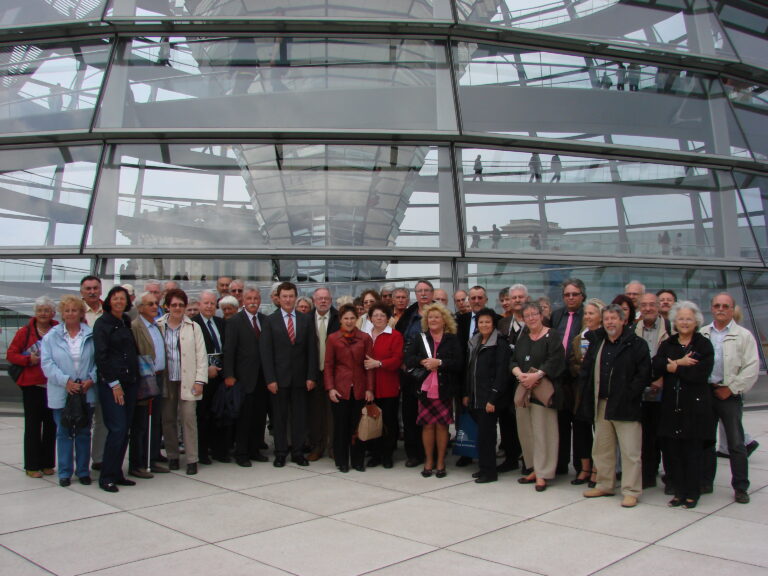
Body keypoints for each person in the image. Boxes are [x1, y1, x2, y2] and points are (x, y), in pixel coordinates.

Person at [579, 304, 650, 508]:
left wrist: (629, 395)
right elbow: (587, 370)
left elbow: (643, 375)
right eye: (607, 319)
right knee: (602, 448)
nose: (610, 322)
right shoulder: (598, 342)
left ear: (623, 321)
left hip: (626, 405)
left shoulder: (637, 344)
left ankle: (631, 491)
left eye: (614, 318)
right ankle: (604, 484)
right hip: (601, 403)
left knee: (630, 452)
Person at [652, 301, 714, 509]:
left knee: (692, 452)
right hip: (671, 405)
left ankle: (692, 493)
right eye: (681, 319)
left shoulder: (703, 345)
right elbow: (657, 364)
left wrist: (673, 367)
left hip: (694, 407)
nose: (684, 322)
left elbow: (699, 374)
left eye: (688, 318)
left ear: (696, 321)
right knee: (672, 452)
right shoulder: (668, 343)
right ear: (674, 322)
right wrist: (680, 363)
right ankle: (678, 491)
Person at [700, 293, 759, 504]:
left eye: (726, 306)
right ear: (711, 308)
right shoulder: (703, 333)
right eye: (717, 305)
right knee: (707, 440)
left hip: (729, 394)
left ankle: (741, 486)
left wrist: (732, 388)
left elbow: (752, 368)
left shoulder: (743, 336)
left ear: (732, 309)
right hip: (707, 393)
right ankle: (706, 481)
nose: (721, 309)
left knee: (735, 443)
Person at [40, 295, 97, 487]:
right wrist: (66, 382)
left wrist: (92, 379)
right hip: (62, 391)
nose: (71, 314)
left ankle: (83, 471)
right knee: (63, 432)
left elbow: (99, 361)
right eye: (67, 310)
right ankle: (64, 472)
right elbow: (47, 364)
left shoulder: (91, 334)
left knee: (83, 432)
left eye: (74, 310)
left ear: (81, 312)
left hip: (85, 391)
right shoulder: (51, 336)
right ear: (62, 314)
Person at [260, 281, 319, 467]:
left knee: (299, 418)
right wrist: (270, 379)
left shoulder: (305, 320)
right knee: (279, 418)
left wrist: (311, 376)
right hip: (278, 379)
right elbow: (266, 353)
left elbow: (312, 350)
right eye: (284, 296)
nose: (287, 300)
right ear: (278, 298)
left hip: (301, 379)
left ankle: (298, 452)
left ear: (295, 297)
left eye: (291, 296)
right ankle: (280, 452)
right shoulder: (270, 321)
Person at [511, 302, 565, 492]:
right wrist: (520, 375)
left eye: (534, 314)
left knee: (544, 432)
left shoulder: (552, 335)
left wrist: (537, 375)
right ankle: (533, 467)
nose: (531, 318)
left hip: (543, 390)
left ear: (541, 315)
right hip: (524, 389)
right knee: (526, 432)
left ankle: (543, 473)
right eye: (527, 315)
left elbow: (556, 360)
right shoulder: (523, 338)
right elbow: (514, 360)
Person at [405, 302, 463, 478]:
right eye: (430, 317)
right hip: (424, 389)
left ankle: (440, 462)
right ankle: (428, 461)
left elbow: (459, 363)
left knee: (442, 426)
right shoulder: (420, 337)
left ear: (444, 320)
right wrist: (423, 361)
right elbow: (409, 358)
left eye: (437, 317)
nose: (433, 320)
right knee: (428, 426)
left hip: (444, 389)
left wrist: (440, 363)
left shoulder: (452, 339)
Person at [93, 286, 139, 493]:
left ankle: (117, 472)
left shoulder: (125, 321)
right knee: (117, 428)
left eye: (123, 298)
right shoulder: (102, 324)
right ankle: (107, 476)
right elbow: (101, 357)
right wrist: (114, 383)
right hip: (113, 385)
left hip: (130, 382)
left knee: (125, 429)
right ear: (109, 301)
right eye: (115, 298)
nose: (119, 301)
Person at [157, 289, 208, 476]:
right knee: (168, 419)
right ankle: (172, 456)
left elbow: (201, 356)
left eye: (180, 305)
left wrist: (200, 380)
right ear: (167, 307)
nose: (177, 308)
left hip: (188, 380)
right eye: (174, 305)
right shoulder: (158, 326)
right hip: (167, 380)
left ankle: (192, 458)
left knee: (188, 418)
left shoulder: (193, 327)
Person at [7, 296, 58, 478]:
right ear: (35, 313)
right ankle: (32, 465)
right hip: (32, 385)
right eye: (40, 310)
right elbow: (11, 354)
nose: (43, 314)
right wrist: (29, 360)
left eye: (46, 310)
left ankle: (47, 463)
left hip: (53, 385)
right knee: (33, 427)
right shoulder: (25, 332)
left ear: (52, 313)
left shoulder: (57, 329)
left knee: (51, 426)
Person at [324, 304, 375, 472]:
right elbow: (329, 365)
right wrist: (330, 388)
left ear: (357, 319)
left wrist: (369, 388)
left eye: (352, 318)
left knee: (358, 426)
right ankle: (342, 460)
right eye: (346, 318)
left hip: (360, 388)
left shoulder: (365, 338)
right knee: (341, 427)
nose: (349, 321)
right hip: (340, 388)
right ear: (340, 320)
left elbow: (368, 365)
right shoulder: (332, 338)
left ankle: (358, 460)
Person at [223, 287, 269, 466]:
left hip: (262, 378)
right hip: (243, 378)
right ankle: (241, 453)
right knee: (244, 417)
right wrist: (229, 374)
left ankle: (254, 449)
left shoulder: (265, 321)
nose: (253, 301)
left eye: (256, 298)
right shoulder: (235, 321)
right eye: (249, 298)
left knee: (259, 416)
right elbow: (229, 350)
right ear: (243, 300)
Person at [464, 308, 510, 483]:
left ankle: (490, 472)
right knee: (481, 435)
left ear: (493, 324)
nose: (484, 325)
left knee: (487, 436)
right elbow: (470, 370)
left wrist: (493, 399)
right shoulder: (475, 341)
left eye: (487, 322)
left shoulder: (500, 343)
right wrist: (467, 393)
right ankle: (483, 467)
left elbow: (501, 374)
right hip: (475, 396)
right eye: (481, 322)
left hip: (489, 399)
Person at [395, 279, 436, 467]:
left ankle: (431, 454)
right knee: (410, 414)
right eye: (420, 291)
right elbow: (398, 341)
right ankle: (414, 453)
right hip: (410, 373)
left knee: (430, 415)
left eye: (427, 290)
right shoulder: (408, 315)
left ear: (432, 294)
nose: (423, 294)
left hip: (433, 372)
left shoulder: (440, 313)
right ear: (416, 294)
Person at [128, 291, 168, 478]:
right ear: (140, 307)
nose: (155, 307)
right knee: (141, 423)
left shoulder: (157, 326)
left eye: (156, 303)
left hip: (159, 378)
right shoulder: (135, 326)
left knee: (155, 421)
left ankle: (151, 458)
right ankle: (138, 463)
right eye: (150, 304)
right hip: (144, 380)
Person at [549, 278, 586, 476]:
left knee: (580, 423)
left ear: (582, 296)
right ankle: (561, 464)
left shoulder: (587, 316)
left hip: (578, 377)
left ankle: (581, 466)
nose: (570, 298)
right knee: (561, 423)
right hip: (559, 377)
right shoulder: (556, 316)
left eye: (574, 294)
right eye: (567, 295)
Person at [635, 293, 671, 490]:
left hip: (664, 386)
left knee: (665, 434)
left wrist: (663, 379)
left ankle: (670, 476)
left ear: (658, 306)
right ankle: (648, 475)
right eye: (644, 305)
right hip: (642, 388)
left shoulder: (670, 328)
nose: (648, 308)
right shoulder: (634, 328)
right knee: (646, 435)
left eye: (651, 304)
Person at [363, 303, 404, 469]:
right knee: (372, 420)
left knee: (388, 422)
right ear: (370, 318)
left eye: (382, 315)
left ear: (388, 318)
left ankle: (387, 455)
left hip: (388, 386)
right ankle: (375, 454)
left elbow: (397, 359)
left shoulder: (395, 336)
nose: (379, 318)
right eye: (375, 315)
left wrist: (378, 363)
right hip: (368, 387)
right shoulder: (364, 336)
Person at [569, 298, 605, 487]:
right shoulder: (579, 337)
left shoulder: (606, 337)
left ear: (601, 316)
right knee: (581, 430)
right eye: (587, 314)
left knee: (599, 433)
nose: (588, 317)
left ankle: (597, 470)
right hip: (580, 391)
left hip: (598, 391)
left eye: (592, 313)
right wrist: (580, 368)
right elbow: (572, 361)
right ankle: (584, 468)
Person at [191, 290, 227, 465]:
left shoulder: (221, 323)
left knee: (218, 414)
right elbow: (191, 354)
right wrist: (206, 370)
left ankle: (218, 450)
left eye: (212, 303)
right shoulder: (192, 324)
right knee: (202, 415)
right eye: (206, 303)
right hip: (203, 377)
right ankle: (202, 452)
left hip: (220, 376)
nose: (209, 306)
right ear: (199, 304)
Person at [308, 287, 340, 461]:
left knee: (332, 412)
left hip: (334, 373)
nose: (323, 301)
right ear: (314, 300)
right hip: (313, 373)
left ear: (331, 300)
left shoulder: (338, 318)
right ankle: (317, 446)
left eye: (326, 298)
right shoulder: (305, 319)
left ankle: (333, 447)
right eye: (319, 298)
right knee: (315, 413)